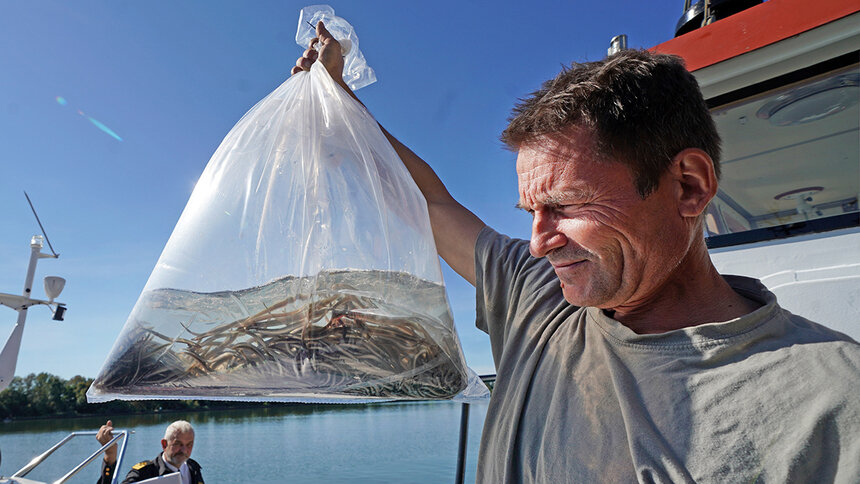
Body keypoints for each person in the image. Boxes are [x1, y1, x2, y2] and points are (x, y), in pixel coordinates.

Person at [294, 23, 859, 482]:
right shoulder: (537, 295)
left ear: (688, 186)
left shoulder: (833, 400)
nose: (540, 241)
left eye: (565, 206)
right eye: (530, 213)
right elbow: (430, 205)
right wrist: (337, 99)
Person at [96, 420, 204, 484]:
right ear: (164, 444)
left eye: (189, 445)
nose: (184, 450)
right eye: (178, 444)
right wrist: (110, 456)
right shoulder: (144, 472)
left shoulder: (193, 467)